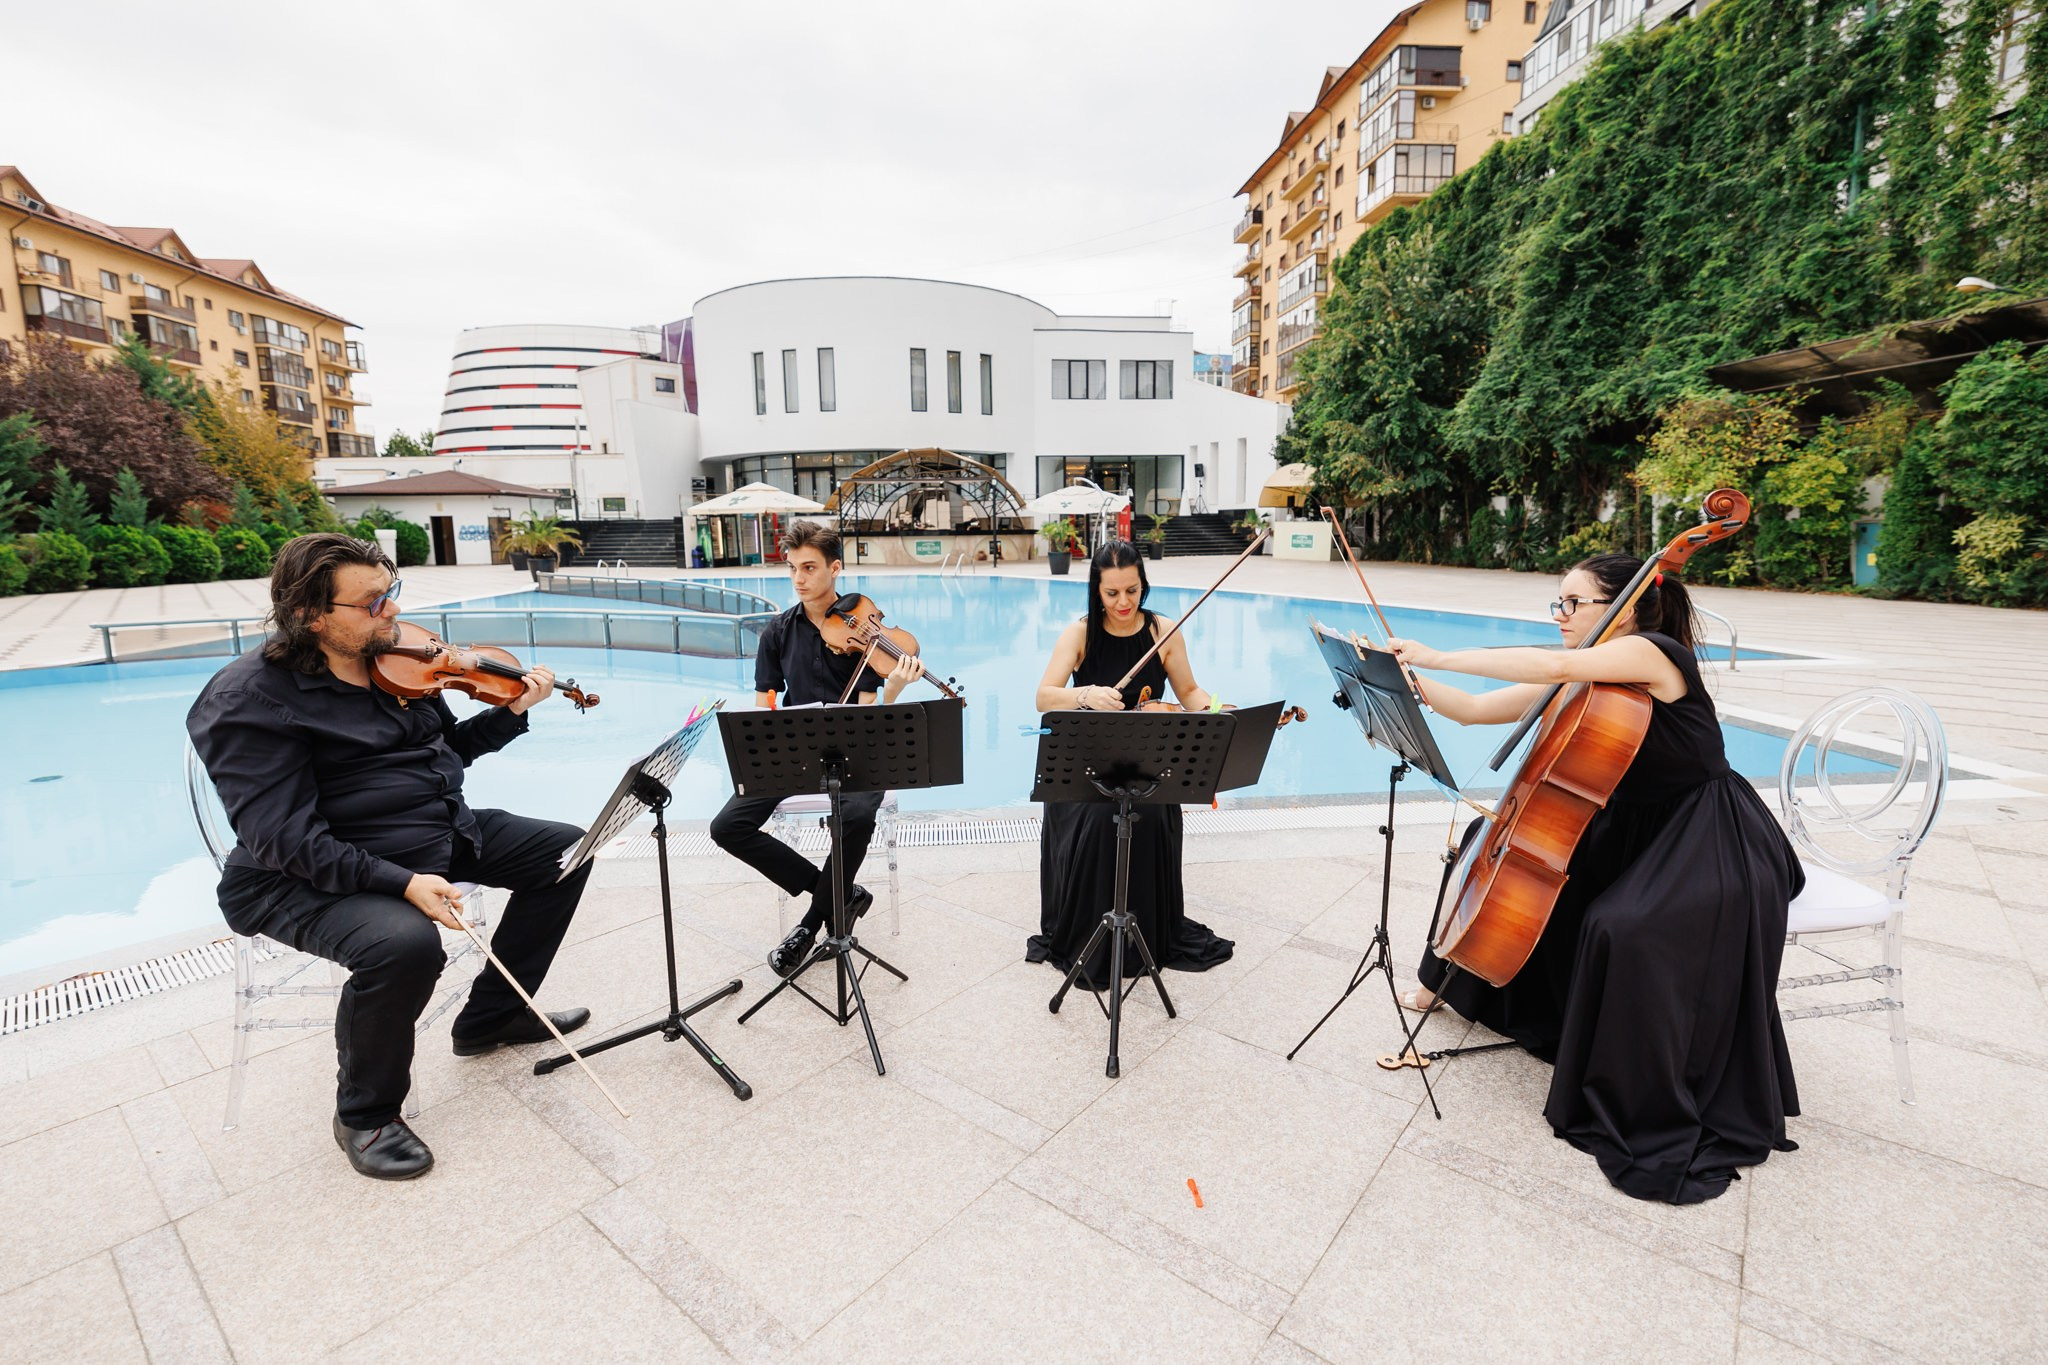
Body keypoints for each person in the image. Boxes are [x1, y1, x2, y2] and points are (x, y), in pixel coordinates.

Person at [1387, 554, 1802, 1205]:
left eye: (1573, 602)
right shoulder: (1588, 667)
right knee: (1487, 847)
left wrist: (1436, 653)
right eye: (1558, 602)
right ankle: (1458, 982)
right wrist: (1408, 681)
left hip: (1706, 839)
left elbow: (1552, 666)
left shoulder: (1654, 654)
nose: (1561, 616)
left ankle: (1625, 1072)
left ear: (1625, 606)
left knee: (1621, 926)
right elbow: (1471, 709)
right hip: (1627, 829)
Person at [187, 534, 593, 1181]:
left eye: (392, 593)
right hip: (294, 875)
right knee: (403, 945)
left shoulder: (396, 659)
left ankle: (490, 1018)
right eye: (373, 603)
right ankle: (366, 1115)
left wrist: (512, 711)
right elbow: (284, 840)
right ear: (310, 614)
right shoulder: (249, 700)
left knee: (565, 851)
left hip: (426, 833)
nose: (393, 613)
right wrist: (403, 884)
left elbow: (445, 752)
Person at [712, 520, 925, 976]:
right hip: (796, 747)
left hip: (858, 749)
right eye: (793, 568)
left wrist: (893, 689)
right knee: (727, 827)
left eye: (809, 567)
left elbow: (869, 711)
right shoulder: (776, 632)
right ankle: (840, 895)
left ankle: (809, 925)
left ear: (835, 568)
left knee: (857, 815)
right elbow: (765, 707)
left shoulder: (865, 630)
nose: (799, 578)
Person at [1029, 540, 1235, 982]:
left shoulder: (1163, 630)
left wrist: (1217, 713)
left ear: (1143, 584)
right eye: (1112, 593)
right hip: (1089, 766)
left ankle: (1149, 931)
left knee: (1152, 814)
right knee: (1099, 821)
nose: (1124, 602)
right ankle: (1091, 934)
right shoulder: (1080, 633)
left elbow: (1189, 691)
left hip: (1146, 762)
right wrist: (1085, 694)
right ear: (1096, 590)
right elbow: (1044, 696)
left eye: (1132, 590)